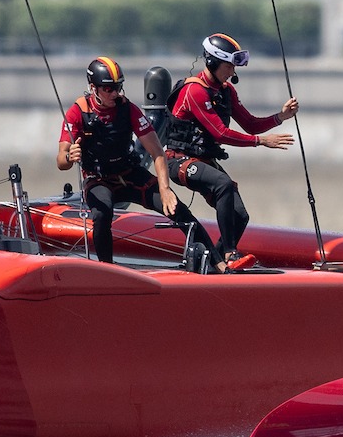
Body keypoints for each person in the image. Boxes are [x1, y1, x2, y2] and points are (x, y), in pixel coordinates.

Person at [164, 32, 297, 272]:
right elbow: (220, 133)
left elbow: (250, 123)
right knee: (223, 183)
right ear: (212, 63)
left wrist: (280, 117)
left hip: (203, 159)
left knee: (240, 216)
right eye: (228, 66)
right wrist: (261, 142)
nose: (232, 72)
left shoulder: (226, 91)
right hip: (178, 161)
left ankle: (213, 263)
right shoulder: (194, 91)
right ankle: (229, 253)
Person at [56, 55, 191, 264]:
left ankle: (217, 261)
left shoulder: (128, 109)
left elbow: (157, 152)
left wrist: (165, 190)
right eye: (108, 89)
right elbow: (61, 162)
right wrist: (69, 156)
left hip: (129, 174)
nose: (115, 93)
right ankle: (107, 269)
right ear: (94, 88)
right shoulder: (78, 112)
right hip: (98, 179)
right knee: (101, 215)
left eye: (118, 87)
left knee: (177, 208)